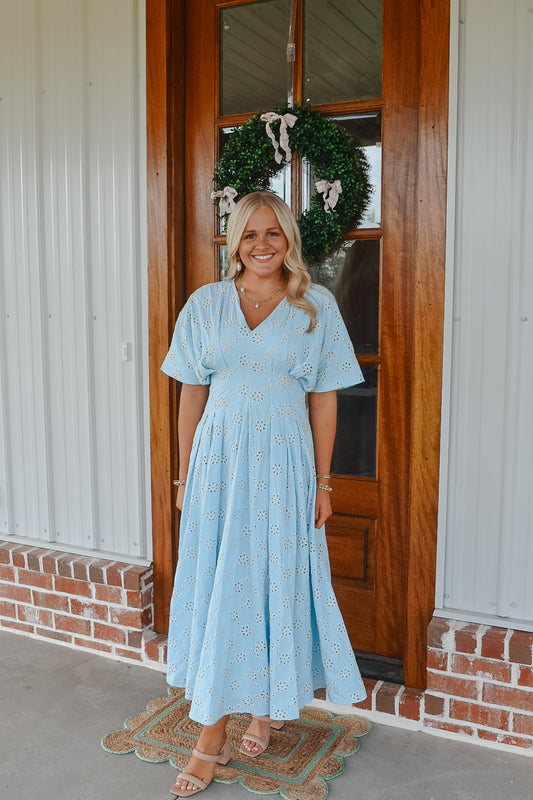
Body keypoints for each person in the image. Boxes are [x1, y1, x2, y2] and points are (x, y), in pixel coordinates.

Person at [161, 191, 366, 797]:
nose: (262, 245)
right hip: (218, 468)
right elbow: (191, 394)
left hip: (284, 466)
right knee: (223, 585)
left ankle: (260, 710)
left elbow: (325, 398)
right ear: (233, 241)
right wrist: (183, 478)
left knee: (274, 579)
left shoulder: (315, 308)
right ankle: (211, 735)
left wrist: (325, 483)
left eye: (273, 233)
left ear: (289, 241)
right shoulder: (205, 305)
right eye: (249, 234)